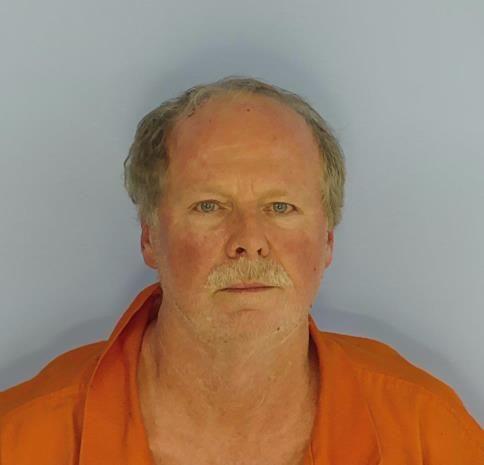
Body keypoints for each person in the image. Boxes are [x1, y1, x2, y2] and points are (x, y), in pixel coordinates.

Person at [0, 75, 482, 465]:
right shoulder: (20, 440)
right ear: (150, 237)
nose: (249, 240)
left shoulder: (428, 433)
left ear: (328, 240)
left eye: (281, 207)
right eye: (209, 206)